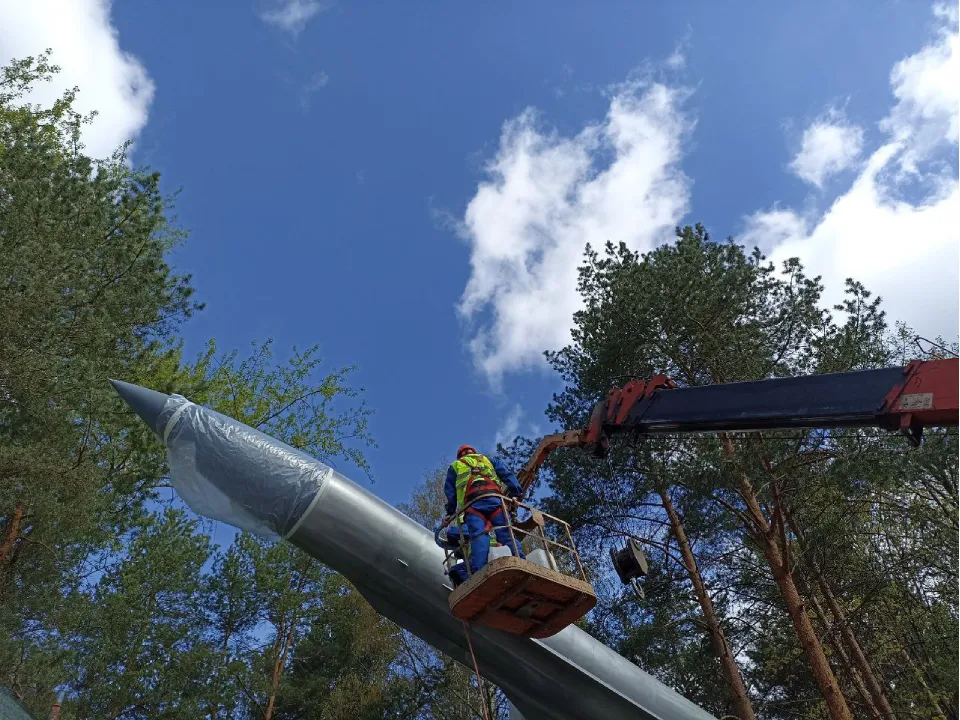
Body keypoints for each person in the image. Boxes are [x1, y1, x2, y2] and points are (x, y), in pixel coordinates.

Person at [443, 445, 525, 577]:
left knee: (479, 536)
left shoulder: (456, 465)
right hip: (495, 501)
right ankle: (521, 562)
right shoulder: (488, 460)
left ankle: (479, 574)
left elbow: (450, 492)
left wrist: (450, 513)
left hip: (474, 505)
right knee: (506, 532)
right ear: (473, 453)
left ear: (460, 456)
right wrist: (516, 493)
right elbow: (507, 474)